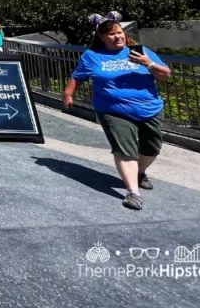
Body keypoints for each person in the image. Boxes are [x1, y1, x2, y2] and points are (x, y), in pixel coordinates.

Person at [63, 13, 171, 211]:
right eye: (112, 34)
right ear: (102, 38)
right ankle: (133, 192)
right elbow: (78, 76)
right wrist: (68, 94)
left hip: (150, 107)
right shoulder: (92, 56)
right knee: (124, 150)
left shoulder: (140, 51)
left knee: (152, 148)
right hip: (113, 109)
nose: (117, 37)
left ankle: (140, 171)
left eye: (119, 32)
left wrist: (149, 63)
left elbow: (165, 74)